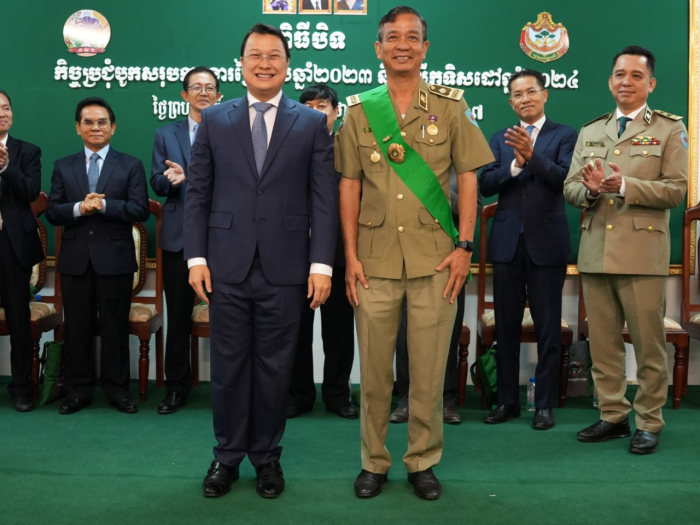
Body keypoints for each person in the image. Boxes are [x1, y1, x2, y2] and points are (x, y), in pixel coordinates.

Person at [336, 6, 493, 500]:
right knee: (375, 373)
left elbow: (468, 178)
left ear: (425, 48)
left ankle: (422, 460)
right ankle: (374, 461)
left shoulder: (451, 107)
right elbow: (349, 185)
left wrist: (465, 246)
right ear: (378, 48)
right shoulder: (359, 112)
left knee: (427, 372)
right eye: (392, 37)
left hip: (436, 259)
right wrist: (350, 256)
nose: (402, 45)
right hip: (374, 261)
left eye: (412, 37)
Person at [185, 24, 337, 499]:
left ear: (287, 65)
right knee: (228, 367)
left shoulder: (310, 123)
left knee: (275, 369)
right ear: (241, 63)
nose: (264, 63)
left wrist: (321, 265)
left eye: (274, 55)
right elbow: (197, 194)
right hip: (225, 266)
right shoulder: (215, 119)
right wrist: (196, 257)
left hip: (287, 268)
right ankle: (227, 457)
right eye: (255, 55)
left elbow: (324, 200)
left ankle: (267, 457)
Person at [563, 46, 688, 455]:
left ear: (651, 83)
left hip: (641, 254)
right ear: (610, 81)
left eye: (636, 76)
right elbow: (570, 188)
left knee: (648, 345)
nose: (626, 82)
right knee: (603, 345)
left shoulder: (669, 129)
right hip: (596, 251)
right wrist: (590, 191)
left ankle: (649, 421)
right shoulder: (591, 130)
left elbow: (676, 190)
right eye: (619, 74)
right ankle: (613, 415)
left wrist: (626, 186)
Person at [479, 69, 577, 430]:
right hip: (507, 245)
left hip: (547, 245)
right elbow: (486, 184)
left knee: (548, 328)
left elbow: (564, 178)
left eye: (531, 92)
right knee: (506, 327)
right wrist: (515, 165)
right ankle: (507, 401)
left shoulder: (565, 135)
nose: (525, 99)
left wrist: (532, 156)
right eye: (518, 94)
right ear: (511, 102)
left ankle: (544, 405)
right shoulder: (499, 138)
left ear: (544, 94)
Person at [47, 97, 149, 415]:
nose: (95, 127)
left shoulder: (131, 164)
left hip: (115, 260)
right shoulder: (63, 166)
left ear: (113, 128)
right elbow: (53, 212)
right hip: (75, 261)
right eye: (88, 122)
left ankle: (118, 391)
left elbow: (140, 209)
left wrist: (103, 205)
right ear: (78, 128)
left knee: (114, 329)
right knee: (77, 329)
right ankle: (78, 391)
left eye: (102, 122)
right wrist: (81, 207)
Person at [150, 66, 222, 415]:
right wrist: (170, 180)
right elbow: (156, 183)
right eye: (196, 87)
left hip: (224, 237)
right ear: (185, 95)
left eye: (209, 88)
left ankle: (229, 388)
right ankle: (176, 388)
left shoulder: (231, 130)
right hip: (179, 237)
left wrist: (188, 176)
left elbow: (235, 181)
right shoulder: (166, 134)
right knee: (178, 316)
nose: (203, 92)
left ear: (219, 96)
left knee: (230, 317)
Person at [287, 84, 357, 420]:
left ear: (336, 112)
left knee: (339, 331)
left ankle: (338, 395)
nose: (315, 112)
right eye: (308, 106)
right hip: (296, 253)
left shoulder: (348, 149)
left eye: (322, 106)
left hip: (340, 253)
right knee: (296, 330)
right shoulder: (288, 145)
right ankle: (298, 395)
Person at [391, 174, 483, 425]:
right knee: (404, 331)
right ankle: (405, 400)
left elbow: (474, 208)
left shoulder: (460, 169)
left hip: (448, 260)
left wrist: (437, 190)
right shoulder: (401, 160)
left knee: (448, 333)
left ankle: (446, 399)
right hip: (405, 256)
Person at [0, 90, 45, 412]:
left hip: (12, 245)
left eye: (6, 108)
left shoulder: (27, 151)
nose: (2, 114)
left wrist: (6, 168)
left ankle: (21, 388)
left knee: (18, 318)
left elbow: (30, 192)